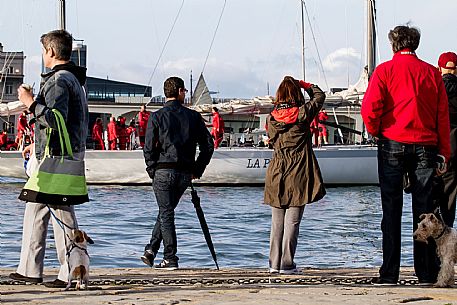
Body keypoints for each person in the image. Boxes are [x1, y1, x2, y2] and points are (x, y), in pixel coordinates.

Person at [361, 25, 450, 285]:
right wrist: (444, 151)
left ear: (393, 45)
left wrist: (376, 131)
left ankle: (389, 273)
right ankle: (426, 272)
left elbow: (370, 108)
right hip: (425, 144)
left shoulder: (385, 71)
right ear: (416, 45)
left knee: (391, 210)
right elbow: (441, 116)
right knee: (424, 211)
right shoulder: (432, 73)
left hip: (392, 142)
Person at [9, 29, 89, 288]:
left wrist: (30, 103)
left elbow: (56, 119)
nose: (43, 55)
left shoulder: (58, 81)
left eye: (44, 51)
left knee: (62, 211)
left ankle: (71, 273)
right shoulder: (73, 80)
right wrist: (36, 142)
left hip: (57, 158)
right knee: (35, 208)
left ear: (51, 52)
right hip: (58, 153)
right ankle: (29, 269)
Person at [141, 76, 214, 270]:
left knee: (166, 212)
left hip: (162, 170)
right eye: (185, 91)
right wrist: (197, 169)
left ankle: (170, 258)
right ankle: (151, 250)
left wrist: (151, 169)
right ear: (180, 91)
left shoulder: (156, 117)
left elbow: (148, 147)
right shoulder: (193, 117)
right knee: (167, 211)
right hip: (184, 172)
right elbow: (208, 146)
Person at [264, 76, 326, 274]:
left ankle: (274, 264)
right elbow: (319, 95)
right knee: (293, 222)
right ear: (296, 95)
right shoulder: (303, 114)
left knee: (277, 223)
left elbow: (272, 140)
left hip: (276, 171)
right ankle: (287, 263)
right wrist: (303, 84)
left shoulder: (271, 118)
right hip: (298, 171)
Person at [437, 51, 457, 227]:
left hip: (438, 150)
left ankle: (433, 251)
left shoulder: (434, 89)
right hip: (455, 149)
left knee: (437, 200)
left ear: (439, 68)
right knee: (450, 200)